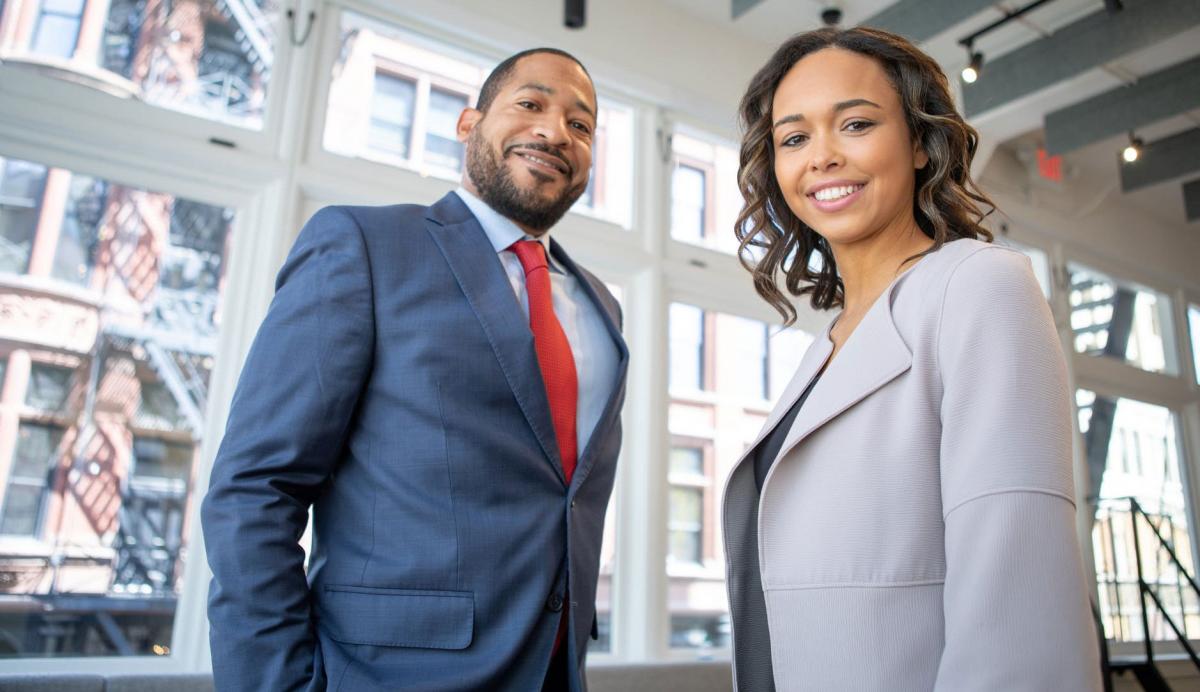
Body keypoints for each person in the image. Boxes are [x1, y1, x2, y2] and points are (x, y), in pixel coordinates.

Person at [201, 47, 628, 692]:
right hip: (385, 671)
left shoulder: (602, 307)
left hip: (555, 671)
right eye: (531, 104)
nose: (554, 131)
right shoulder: (362, 245)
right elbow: (258, 487)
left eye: (581, 124)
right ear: (468, 124)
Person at [722, 27, 1101, 691]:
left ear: (921, 144)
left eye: (857, 123)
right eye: (794, 138)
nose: (822, 157)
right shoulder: (828, 346)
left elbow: (1019, 607)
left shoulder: (978, 285)